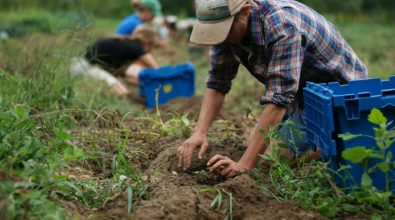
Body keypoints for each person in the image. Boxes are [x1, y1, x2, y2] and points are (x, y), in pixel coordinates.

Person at [177, 0, 368, 178]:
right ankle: (313, 144)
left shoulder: (282, 26)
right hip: (299, 94)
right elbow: (218, 82)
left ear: (245, 10)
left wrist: (243, 166)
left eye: (226, 29)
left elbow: (278, 102)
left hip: (337, 95)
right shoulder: (229, 33)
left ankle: (330, 143)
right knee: (261, 151)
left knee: (271, 162)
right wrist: (199, 133)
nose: (223, 37)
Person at [70, 28, 159, 96]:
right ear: (148, 44)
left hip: (78, 65)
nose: (151, 50)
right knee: (122, 91)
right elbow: (156, 69)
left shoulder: (126, 43)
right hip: (83, 68)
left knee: (122, 87)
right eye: (152, 47)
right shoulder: (136, 48)